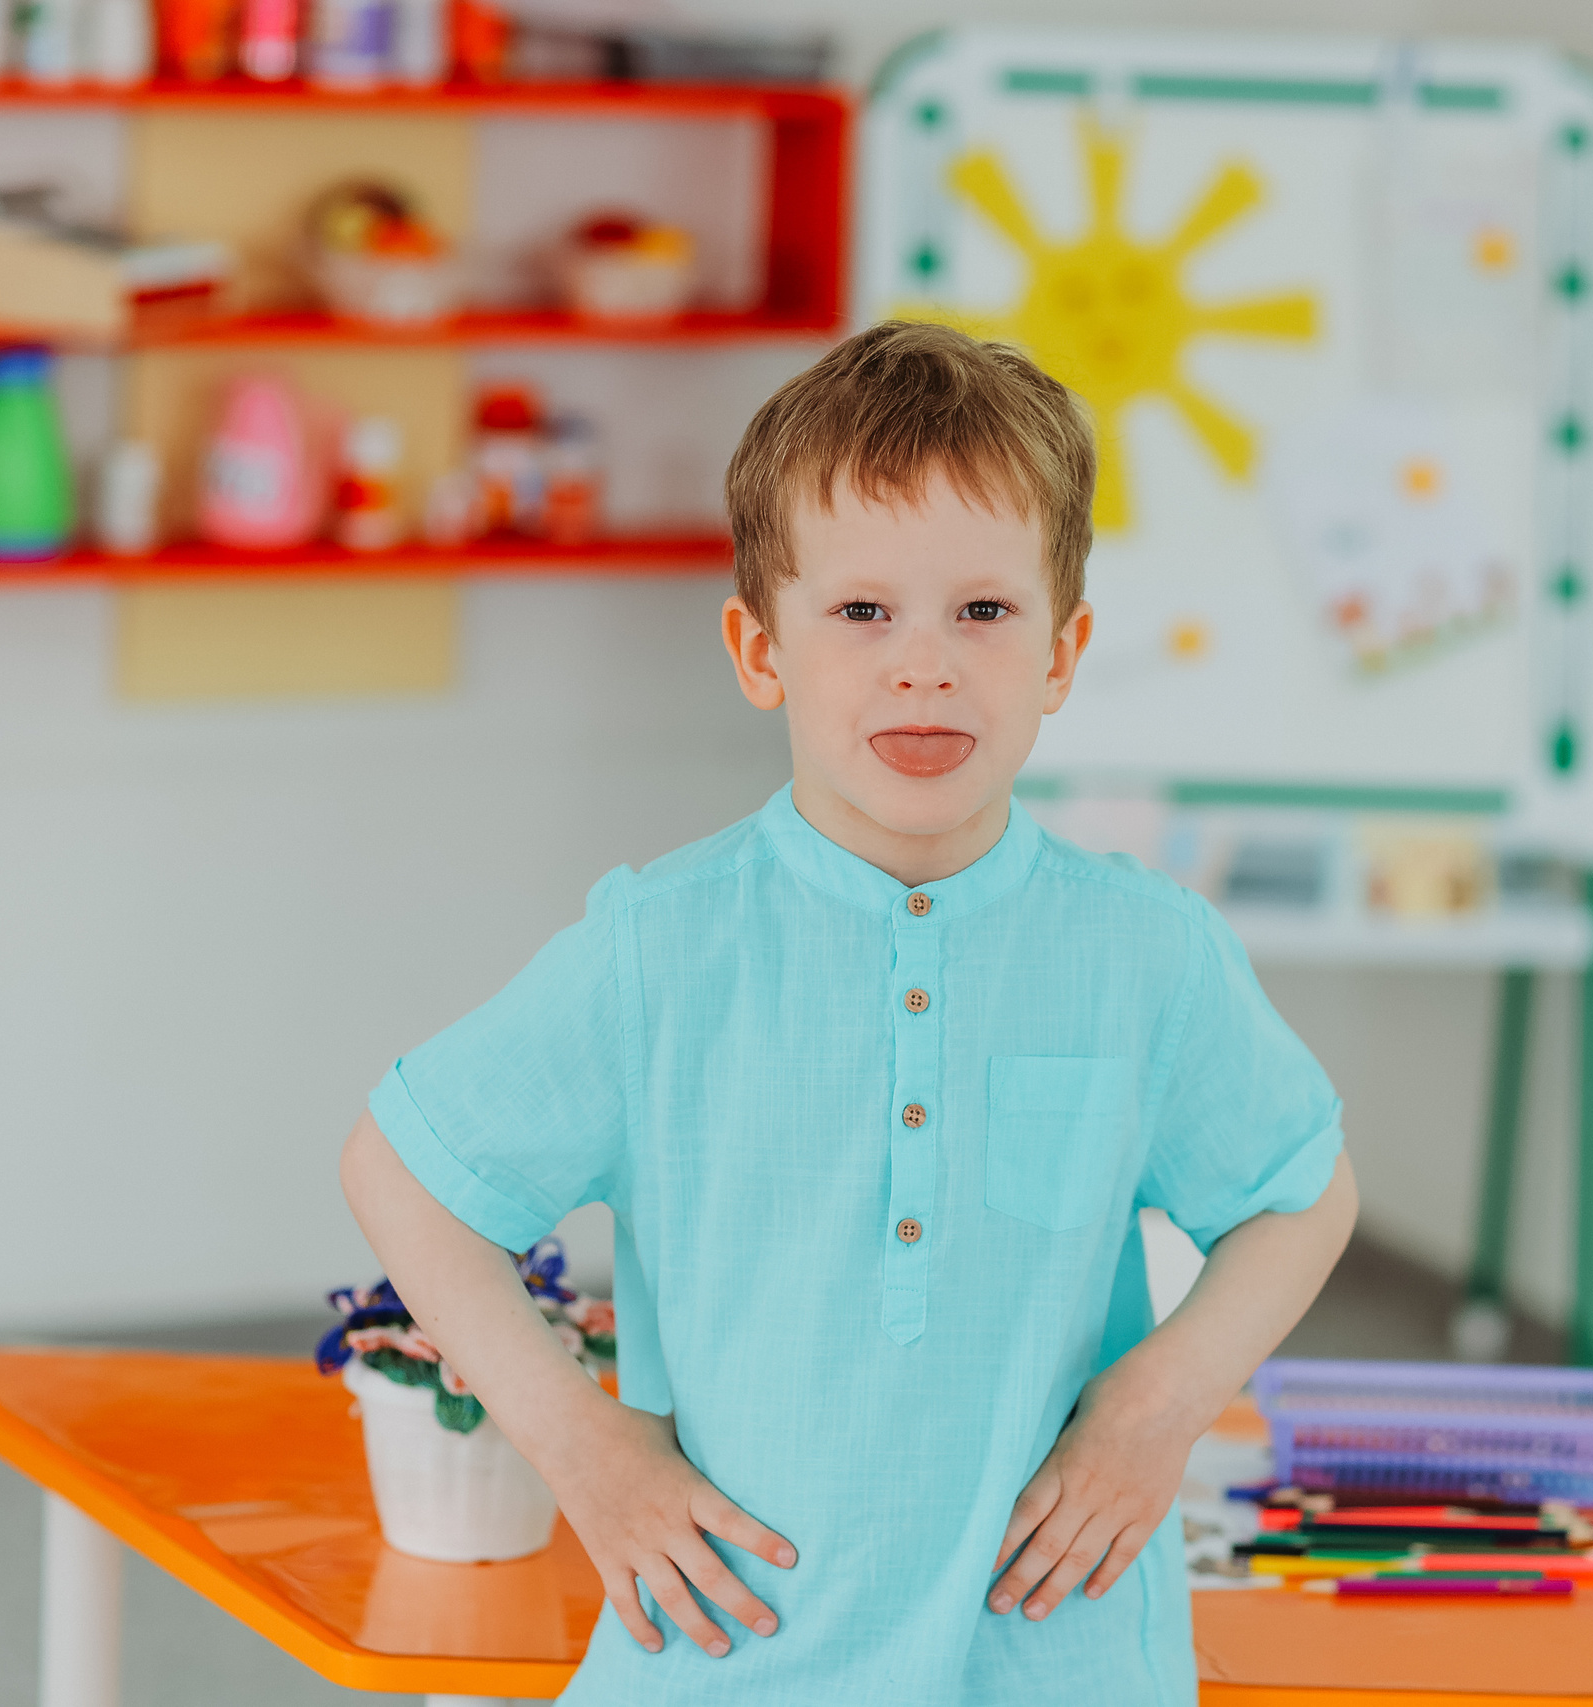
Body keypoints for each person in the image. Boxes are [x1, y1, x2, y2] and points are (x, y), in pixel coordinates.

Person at [340, 320, 1358, 1706]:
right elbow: (402, 1171)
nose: (924, 665)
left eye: (984, 613)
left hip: (1053, 1654)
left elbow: (1302, 1194)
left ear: (1064, 655)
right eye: (863, 613)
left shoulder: (1145, 952)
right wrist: (590, 1457)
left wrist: (1154, 1407)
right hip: (728, 1657)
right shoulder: (661, 949)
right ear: (761, 651)